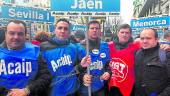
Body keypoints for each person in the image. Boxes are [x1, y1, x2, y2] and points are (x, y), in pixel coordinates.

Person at [40, 18, 90, 96]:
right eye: (60, 28)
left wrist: (82, 66)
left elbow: (76, 70)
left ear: (69, 32)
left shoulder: (74, 48)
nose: (62, 31)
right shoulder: (43, 47)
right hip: (53, 92)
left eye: (65, 29)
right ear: (55, 30)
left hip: (72, 91)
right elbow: (40, 73)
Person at [0, 20, 51, 96]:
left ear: (25, 35)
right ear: (6, 34)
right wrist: (8, 93)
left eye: (20, 34)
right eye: (12, 33)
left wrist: (27, 90)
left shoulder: (35, 52)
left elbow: (45, 77)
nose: (16, 37)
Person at [78, 20, 111, 96]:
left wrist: (108, 72)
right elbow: (74, 69)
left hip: (100, 88)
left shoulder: (105, 46)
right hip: (84, 90)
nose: (94, 30)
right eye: (92, 28)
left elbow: (108, 65)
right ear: (87, 30)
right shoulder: (79, 47)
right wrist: (82, 76)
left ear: (100, 30)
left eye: (97, 28)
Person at [134, 28, 170, 96]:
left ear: (156, 39)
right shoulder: (137, 53)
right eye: (142, 38)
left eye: (148, 38)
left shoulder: (165, 54)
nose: (144, 41)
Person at [108, 24, 140, 96]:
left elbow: (149, 48)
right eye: (122, 32)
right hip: (112, 84)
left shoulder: (136, 48)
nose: (124, 35)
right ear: (118, 33)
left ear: (130, 34)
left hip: (128, 86)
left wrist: (164, 46)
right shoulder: (109, 46)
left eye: (127, 33)